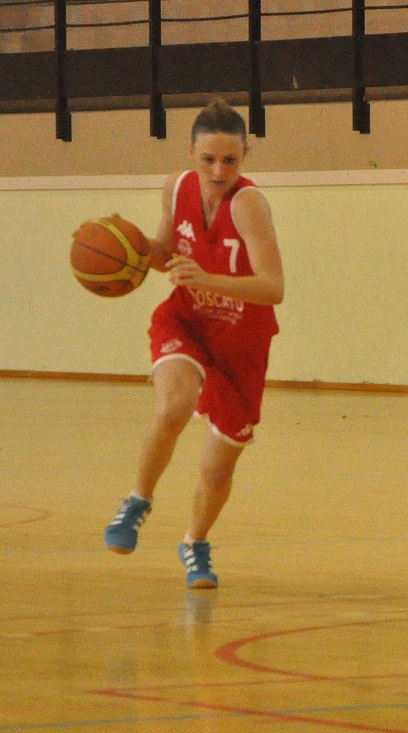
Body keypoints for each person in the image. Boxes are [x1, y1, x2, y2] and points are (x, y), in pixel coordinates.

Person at [105, 98, 284, 589]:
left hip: (241, 343)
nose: (219, 169)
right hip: (186, 322)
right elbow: (166, 254)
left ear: (245, 156)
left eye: (230, 159)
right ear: (191, 153)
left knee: (216, 466)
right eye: (208, 158)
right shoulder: (177, 188)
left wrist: (210, 278)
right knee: (173, 405)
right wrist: (135, 248)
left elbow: (274, 288)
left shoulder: (249, 205)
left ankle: (194, 543)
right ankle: (137, 501)